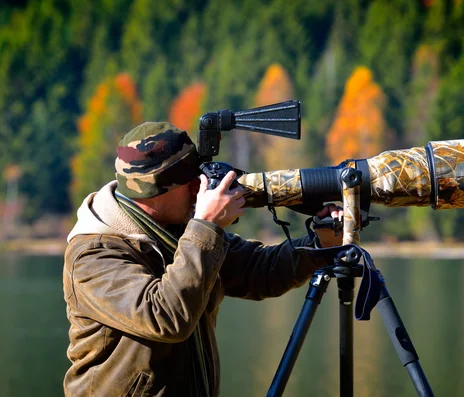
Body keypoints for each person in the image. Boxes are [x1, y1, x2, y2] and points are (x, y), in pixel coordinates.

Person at [62, 122, 342, 397]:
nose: (201, 189)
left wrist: (319, 243)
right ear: (154, 191)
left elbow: (260, 271)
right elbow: (166, 318)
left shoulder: (180, 229)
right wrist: (207, 225)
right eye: (190, 182)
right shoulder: (93, 255)